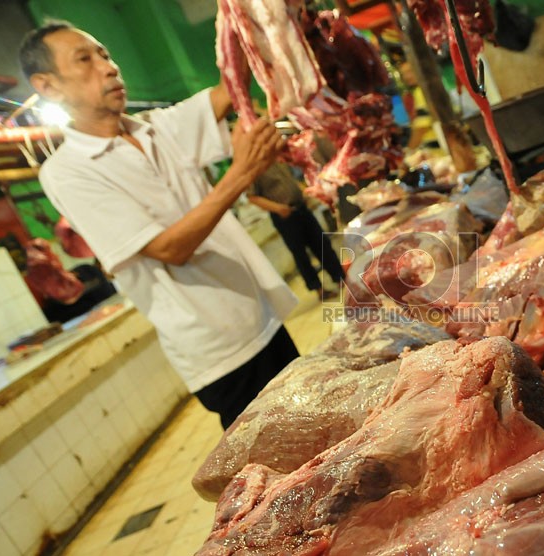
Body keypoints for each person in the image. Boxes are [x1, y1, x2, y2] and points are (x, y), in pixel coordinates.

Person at [19, 21, 300, 429]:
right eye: (85, 59)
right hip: (220, 351)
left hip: (260, 315)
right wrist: (240, 174)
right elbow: (169, 249)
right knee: (283, 473)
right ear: (48, 86)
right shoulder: (67, 171)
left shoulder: (153, 126)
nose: (109, 66)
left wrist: (253, 19)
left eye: (105, 54)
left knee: (319, 439)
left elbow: (228, 90)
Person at [247, 163, 345, 300]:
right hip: (284, 216)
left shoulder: (278, 158)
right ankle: (319, 289)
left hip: (301, 207)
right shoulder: (253, 169)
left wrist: (304, 193)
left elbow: (291, 180)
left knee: (321, 243)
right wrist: (278, 208)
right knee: (300, 255)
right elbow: (252, 197)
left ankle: (339, 277)